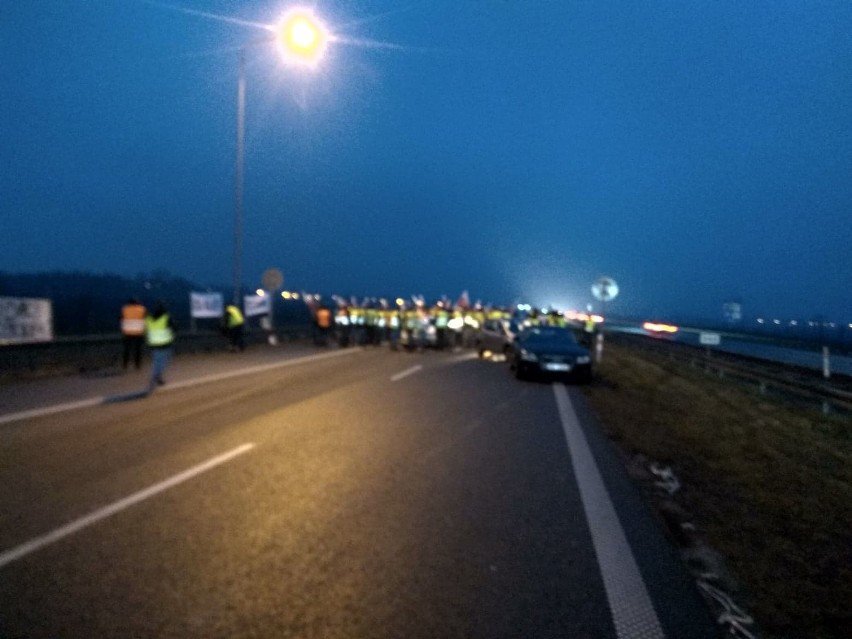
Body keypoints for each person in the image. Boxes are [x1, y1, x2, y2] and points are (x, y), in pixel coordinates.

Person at [145, 300, 175, 391]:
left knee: (157, 360)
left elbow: (146, 329)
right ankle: (156, 376)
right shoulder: (166, 317)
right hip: (164, 343)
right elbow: (174, 328)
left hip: (153, 343)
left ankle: (158, 376)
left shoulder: (149, 318)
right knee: (164, 361)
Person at [120, 297, 146, 370]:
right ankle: (137, 365)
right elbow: (145, 319)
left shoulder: (125, 309)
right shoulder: (142, 309)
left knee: (127, 350)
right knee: (138, 350)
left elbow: (121, 318)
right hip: (138, 332)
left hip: (127, 332)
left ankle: (125, 365)